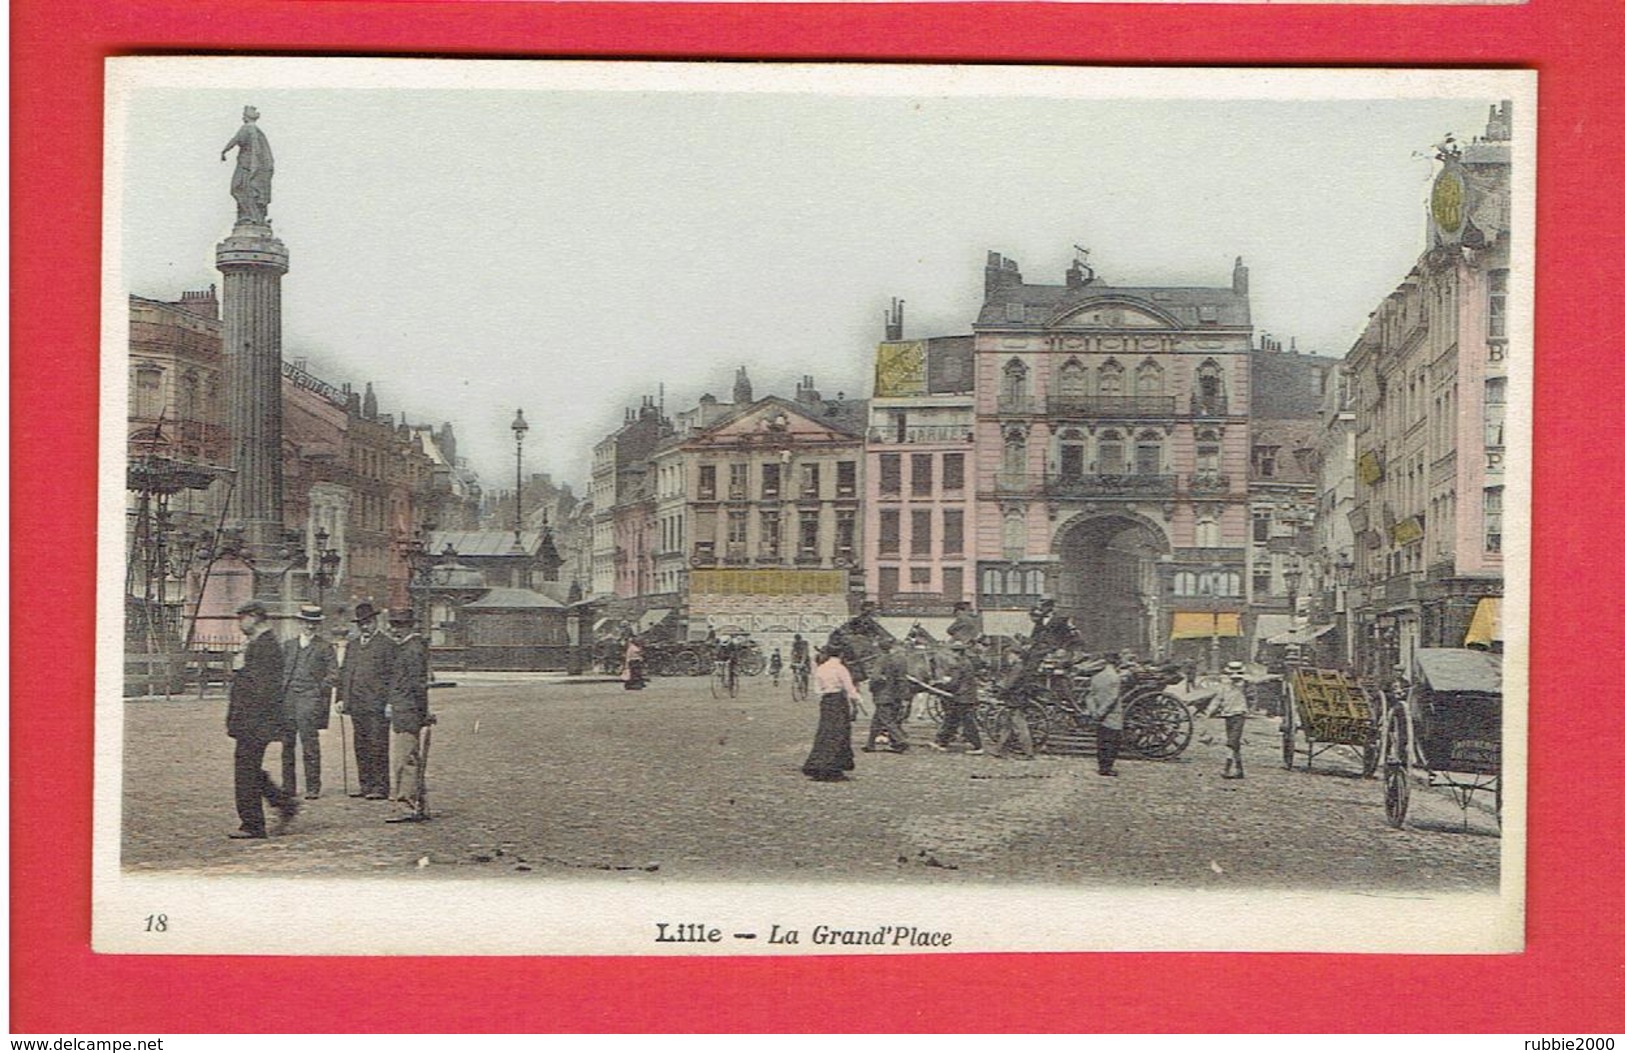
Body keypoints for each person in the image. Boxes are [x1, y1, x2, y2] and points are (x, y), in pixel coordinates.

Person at [225, 601, 299, 839]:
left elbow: (262, 689)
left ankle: (253, 825)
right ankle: (284, 803)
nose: (239, 624)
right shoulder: (259, 644)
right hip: (252, 720)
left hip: (256, 721)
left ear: (255, 617)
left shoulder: (266, 647)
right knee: (249, 768)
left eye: (242, 618)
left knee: (245, 770)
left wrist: (240, 670)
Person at [337, 602, 394, 800]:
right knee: (360, 745)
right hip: (356, 705)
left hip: (377, 706)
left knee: (378, 745)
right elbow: (344, 673)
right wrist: (341, 698)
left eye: (368, 622)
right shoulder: (352, 645)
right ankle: (365, 784)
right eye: (361, 623)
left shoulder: (387, 645)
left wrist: (390, 703)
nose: (364, 626)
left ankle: (380, 787)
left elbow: (393, 677)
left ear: (375, 621)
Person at [280, 604, 336, 800]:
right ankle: (288, 787)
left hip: (309, 700)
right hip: (288, 700)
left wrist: (316, 690)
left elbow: (333, 675)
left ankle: (313, 787)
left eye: (314, 624)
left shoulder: (325, 647)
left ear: (318, 625)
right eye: (306, 623)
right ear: (300, 623)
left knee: (309, 743)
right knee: (287, 745)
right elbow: (278, 671)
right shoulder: (288, 645)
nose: (310, 627)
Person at [385, 607, 433, 816]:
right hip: (404, 709)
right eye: (394, 625)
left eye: (400, 625)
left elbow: (417, 686)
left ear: (410, 626)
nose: (396, 630)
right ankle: (418, 803)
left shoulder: (412, 650)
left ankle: (408, 805)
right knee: (408, 757)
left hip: (408, 711)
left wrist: (423, 714)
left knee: (405, 760)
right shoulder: (407, 647)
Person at [802, 646, 862, 782]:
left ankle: (818, 765)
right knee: (839, 733)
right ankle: (834, 768)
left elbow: (817, 689)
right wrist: (858, 700)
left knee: (825, 732)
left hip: (826, 702)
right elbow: (849, 688)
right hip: (838, 701)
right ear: (841, 654)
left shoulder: (821, 668)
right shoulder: (840, 668)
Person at [220, 106, 274, 225]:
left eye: (243, 115)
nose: (242, 117)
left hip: (247, 166)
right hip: (253, 167)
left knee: (237, 188)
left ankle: (249, 216)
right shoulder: (258, 131)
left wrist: (224, 151)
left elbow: (236, 140)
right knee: (247, 190)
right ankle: (252, 217)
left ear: (246, 117)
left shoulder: (247, 128)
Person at [928, 641, 984, 755]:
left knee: (966, 723)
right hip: (966, 696)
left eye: (953, 651)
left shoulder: (958, 665)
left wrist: (940, 684)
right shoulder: (966, 662)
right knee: (951, 719)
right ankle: (941, 743)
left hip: (961, 697)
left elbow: (954, 683)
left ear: (957, 652)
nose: (952, 654)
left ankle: (978, 747)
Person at [864, 638, 911, 753]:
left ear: (879, 648)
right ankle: (870, 745)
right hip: (894, 695)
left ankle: (901, 740)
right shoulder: (896, 660)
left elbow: (875, 677)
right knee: (876, 720)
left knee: (887, 720)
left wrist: (872, 686)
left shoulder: (881, 660)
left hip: (883, 695)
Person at [1085, 653, 1125, 776]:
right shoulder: (1115, 677)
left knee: (1101, 741)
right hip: (1111, 715)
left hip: (1098, 714)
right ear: (1116, 663)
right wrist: (1101, 712)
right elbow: (1112, 698)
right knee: (1113, 742)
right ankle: (1107, 768)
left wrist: (1094, 712)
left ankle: (1102, 766)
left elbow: (1089, 696)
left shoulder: (1097, 676)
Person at [1209, 667, 1250, 779]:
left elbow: (1249, 682)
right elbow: (1217, 699)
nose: (1234, 678)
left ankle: (1227, 768)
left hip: (1239, 715)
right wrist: (1210, 711)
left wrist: (1242, 678)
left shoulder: (1243, 686)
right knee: (1234, 743)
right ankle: (1239, 770)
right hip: (1228, 716)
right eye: (1232, 675)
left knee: (1232, 742)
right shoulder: (1224, 688)